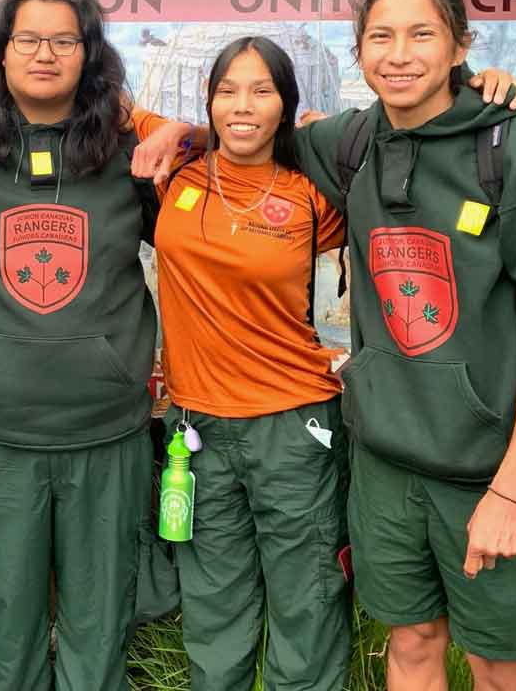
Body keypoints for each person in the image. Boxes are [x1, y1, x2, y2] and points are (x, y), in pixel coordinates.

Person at [297, 0, 516, 690]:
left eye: (422, 34)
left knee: (499, 667)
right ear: (360, 51)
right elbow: (251, 131)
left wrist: (512, 493)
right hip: (387, 465)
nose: (399, 55)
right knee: (410, 645)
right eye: (381, 36)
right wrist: (170, 137)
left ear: (460, 44)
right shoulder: (352, 141)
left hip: (490, 471)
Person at [0, 0, 159, 691]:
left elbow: (201, 225)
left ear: (89, 55)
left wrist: (178, 127)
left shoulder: (126, 145)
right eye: (28, 40)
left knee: (98, 634)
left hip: (106, 431)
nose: (45, 55)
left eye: (63, 40)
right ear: (0, 52)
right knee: (9, 637)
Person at [126, 35, 352, 690]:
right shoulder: (178, 172)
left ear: (287, 103)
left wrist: (486, 87)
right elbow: (103, 98)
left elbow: (414, 143)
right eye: (227, 90)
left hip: (294, 426)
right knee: (213, 607)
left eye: (262, 90)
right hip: (197, 431)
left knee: (305, 603)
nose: (243, 105)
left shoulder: (313, 192)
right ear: (209, 101)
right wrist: (178, 129)